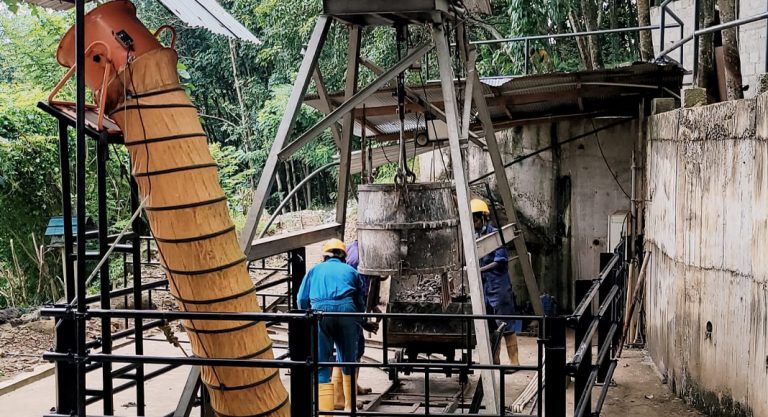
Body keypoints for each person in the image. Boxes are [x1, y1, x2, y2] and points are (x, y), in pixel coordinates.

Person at [297, 238, 365, 412]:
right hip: (346, 312)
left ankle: (325, 413)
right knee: (348, 359)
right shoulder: (351, 271)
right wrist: (362, 321)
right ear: (343, 256)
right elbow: (360, 302)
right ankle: (350, 407)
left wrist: (309, 316)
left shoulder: (314, 270)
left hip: (320, 313)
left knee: (322, 363)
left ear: (324, 256)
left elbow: (301, 299)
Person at [471, 198, 522, 366]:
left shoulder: (496, 236)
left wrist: (479, 270)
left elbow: (500, 260)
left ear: (484, 217)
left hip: (499, 287)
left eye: (476, 220)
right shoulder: (475, 237)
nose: (474, 224)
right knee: (491, 326)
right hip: (485, 288)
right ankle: (495, 361)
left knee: (505, 324)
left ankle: (514, 362)